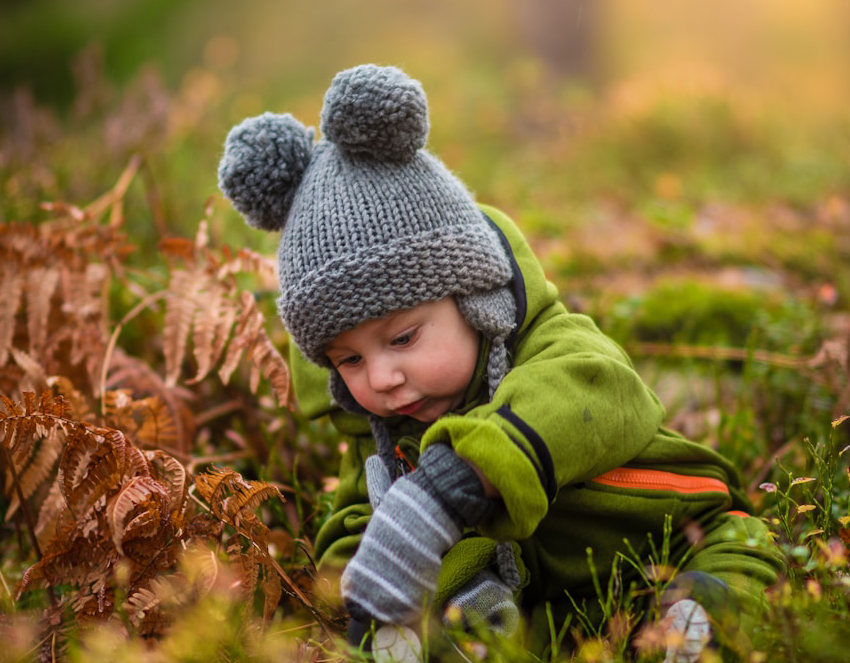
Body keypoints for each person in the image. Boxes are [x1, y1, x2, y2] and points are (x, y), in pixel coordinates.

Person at [218, 63, 783, 662]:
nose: (381, 378)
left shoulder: (555, 347)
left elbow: (598, 394)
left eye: (404, 339)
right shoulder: (385, 431)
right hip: (559, 611)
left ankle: (694, 623)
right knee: (450, 616)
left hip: (675, 537)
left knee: (736, 554)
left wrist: (450, 487)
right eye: (349, 360)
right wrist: (370, 602)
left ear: (476, 301)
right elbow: (360, 517)